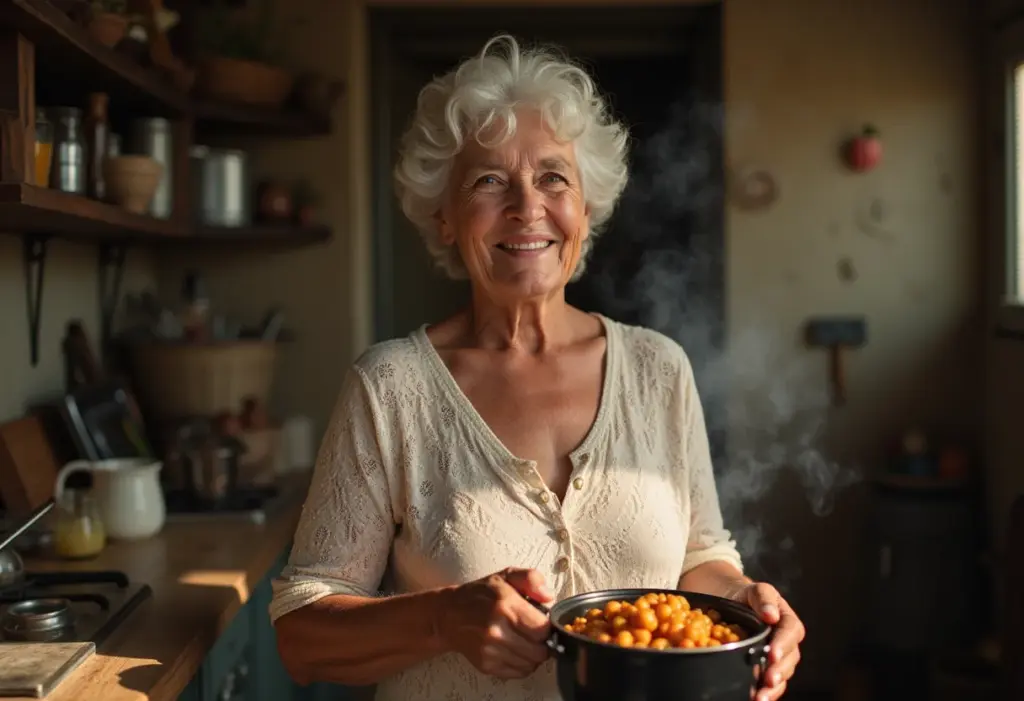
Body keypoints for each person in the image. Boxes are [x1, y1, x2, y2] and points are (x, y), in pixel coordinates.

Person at [270, 34, 804, 701]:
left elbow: (700, 556)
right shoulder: (390, 387)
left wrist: (747, 600)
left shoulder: (658, 369)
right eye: (489, 180)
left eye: (553, 176)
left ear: (586, 206)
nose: (527, 208)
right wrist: (442, 619)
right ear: (443, 215)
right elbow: (301, 636)